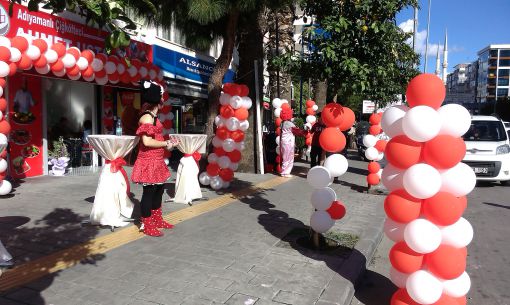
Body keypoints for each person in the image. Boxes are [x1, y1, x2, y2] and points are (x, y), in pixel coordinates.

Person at [131, 80, 179, 237]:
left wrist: (169, 144)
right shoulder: (147, 118)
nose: (164, 100)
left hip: (157, 160)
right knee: (149, 192)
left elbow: (156, 139)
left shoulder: (154, 116)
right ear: (158, 100)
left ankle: (157, 219)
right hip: (148, 161)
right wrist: (165, 143)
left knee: (158, 191)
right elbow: (146, 141)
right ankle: (147, 223)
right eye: (162, 96)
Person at [279, 108, 307, 178]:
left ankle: (285, 171)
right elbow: (298, 132)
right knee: (289, 157)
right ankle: (285, 172)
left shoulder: (282, 123)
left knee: (286, 157)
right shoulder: (289, 124)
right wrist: (305, 131)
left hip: (285, 142)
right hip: (288, 142)